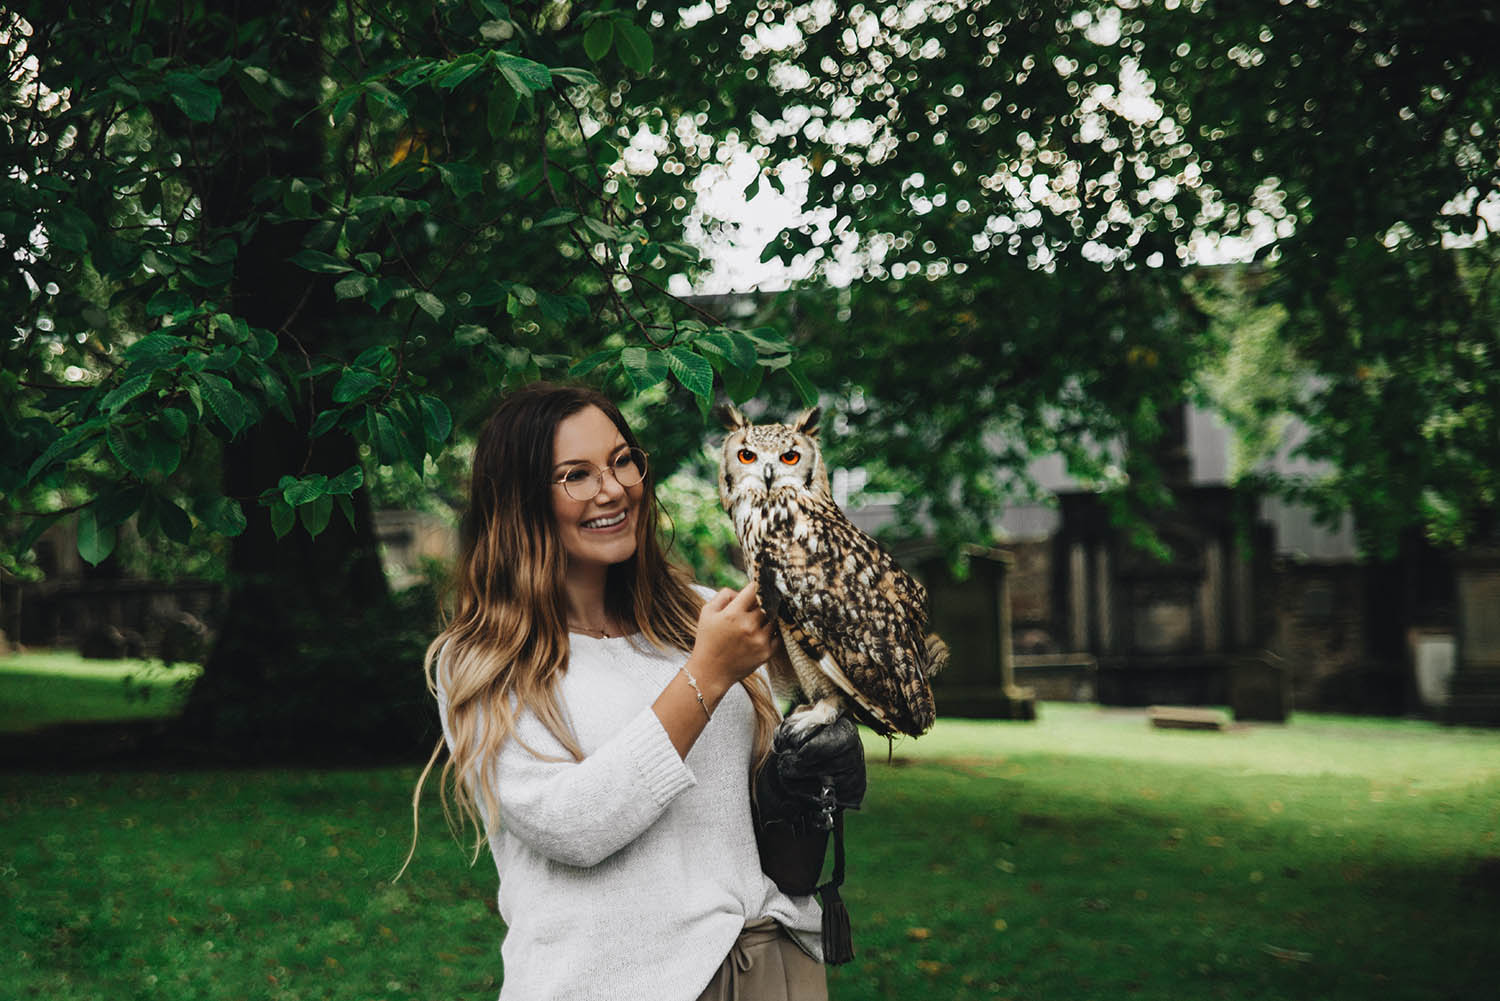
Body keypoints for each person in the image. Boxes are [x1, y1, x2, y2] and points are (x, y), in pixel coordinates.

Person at [416, 383, 830, 1001]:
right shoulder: (484, 661)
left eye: (621, 460)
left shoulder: (701, 616)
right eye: (574, 475)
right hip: (614, 982)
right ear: (521, 501)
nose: (612, 489)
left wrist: (817, 754)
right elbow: (572, 826)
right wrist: (707, 676)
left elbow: (745, 795)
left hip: (768, 962)